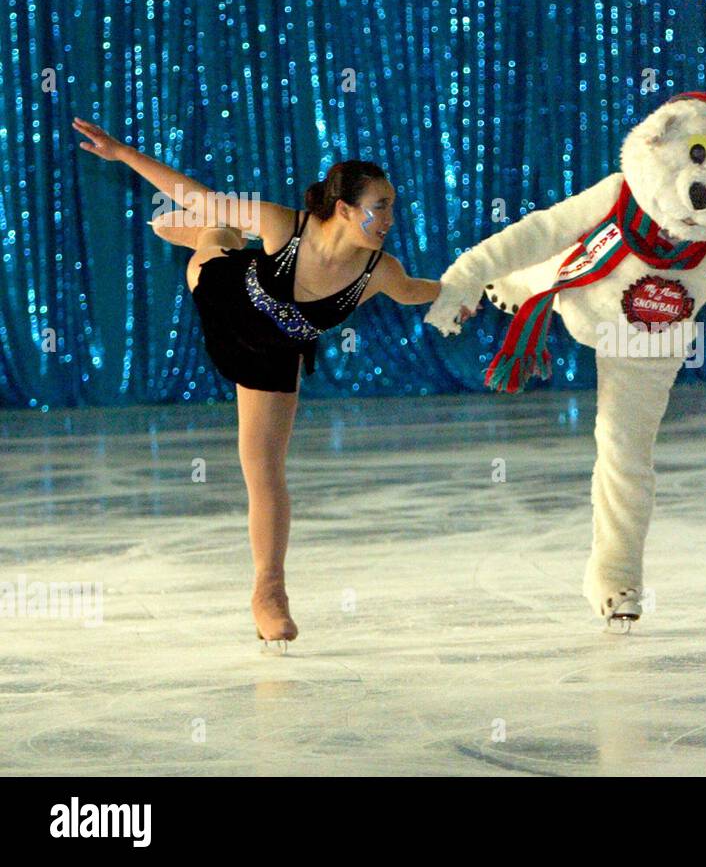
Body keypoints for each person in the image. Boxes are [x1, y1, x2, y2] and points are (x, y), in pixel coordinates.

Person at [73, 118, 471, 647]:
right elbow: (200, 194)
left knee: (263, 470)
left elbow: (422, 292)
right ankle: (205, 236)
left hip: (274, 353)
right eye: (382, 205)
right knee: (214, 235)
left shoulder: (379, 271)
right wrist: (122, 153)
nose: (391, 218)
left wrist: (477, 286)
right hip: (227, 297)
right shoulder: (285, 225)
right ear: (346, 209)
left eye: (394, 205)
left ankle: (269, 593)